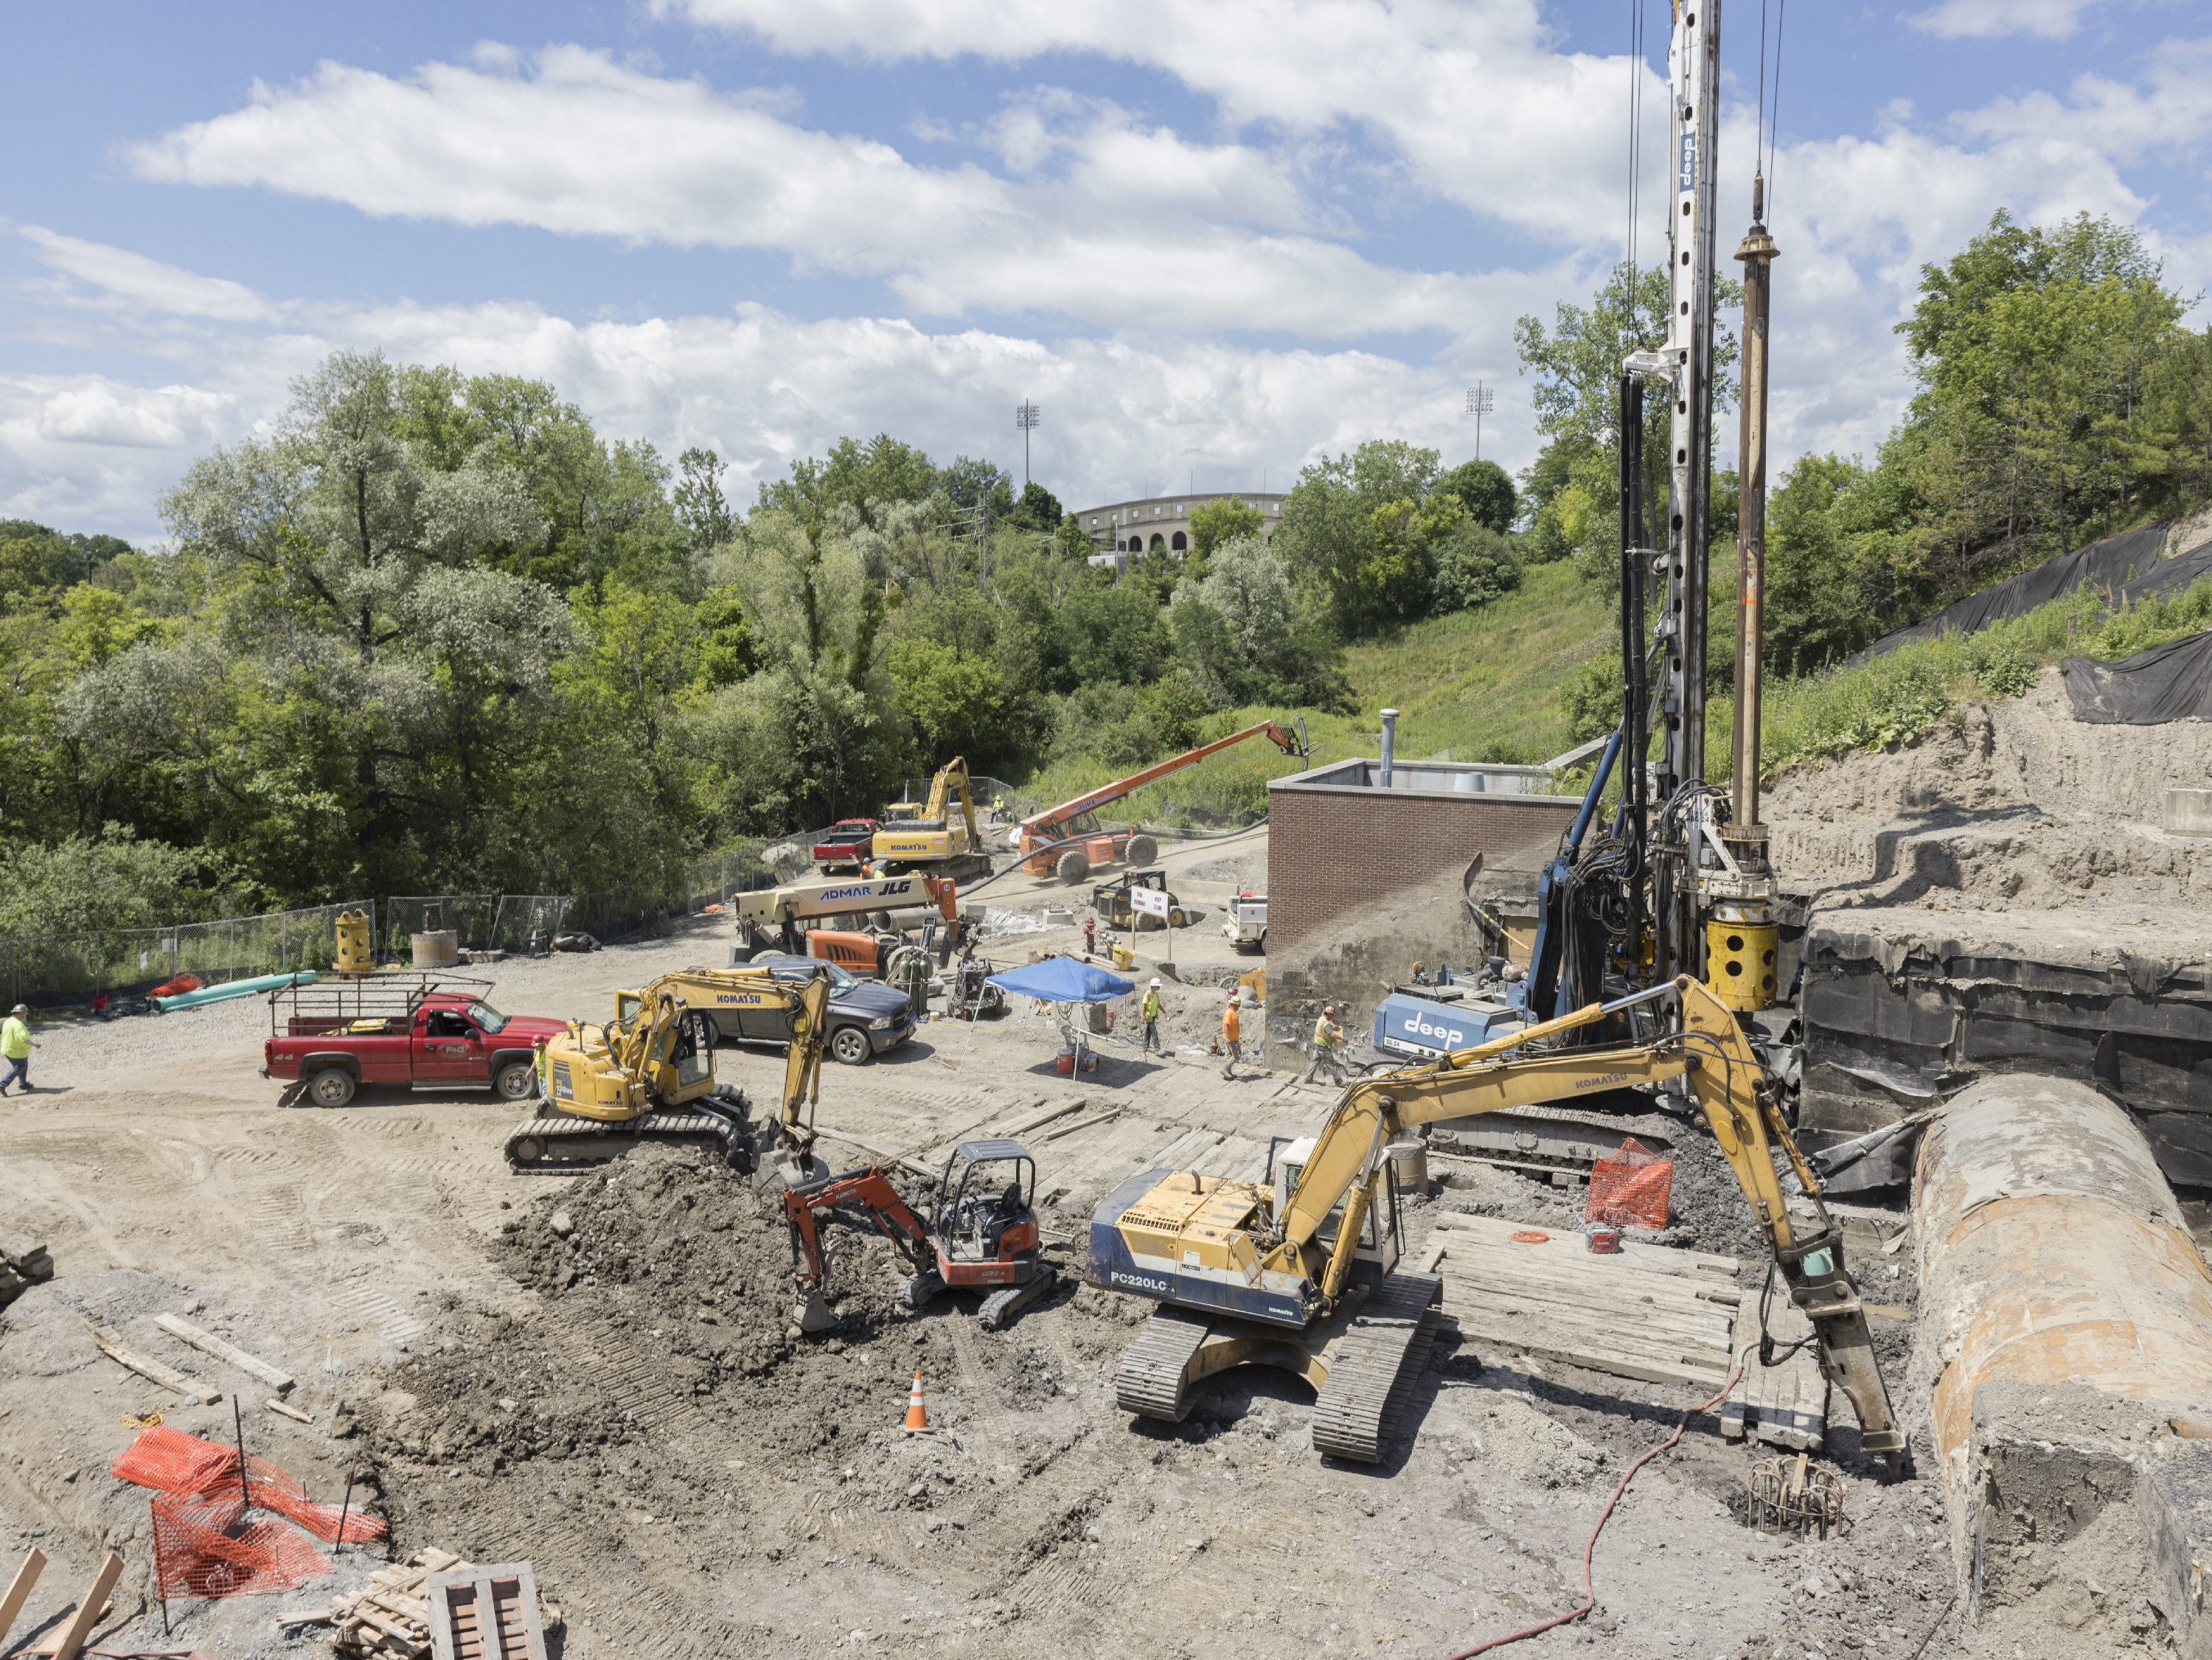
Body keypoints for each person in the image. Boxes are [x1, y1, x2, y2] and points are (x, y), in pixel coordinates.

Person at [1302, 1004, 1348, 1086]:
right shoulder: (1326, 1025)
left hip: (1318, 1045)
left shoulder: (1321, 1018)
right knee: (1331, 1064)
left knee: (1315, 1061)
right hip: (1324, 1047)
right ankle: (1339, 1081)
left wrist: (1333, 1025)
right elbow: (1332, 1034)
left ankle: (1308, 1078)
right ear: (1329, 1014)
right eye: (1332, 1015)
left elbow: (1329, 1021)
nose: (1333, 1017)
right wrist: (1343, 1039)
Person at [0, 1003, 37, 1095]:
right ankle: (2, 1084)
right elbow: (24, 1039)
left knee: (23, 1065)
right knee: (19, 1067)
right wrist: (36, 1044)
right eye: (25, 1015)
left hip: (9, 1049)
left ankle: (23, 1084)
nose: (25, 1017)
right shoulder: (17, 1025)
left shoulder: (8, 1021)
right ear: (22, 1015)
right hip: (15, 1051)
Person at [1220, 989, 1243, 1080]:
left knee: (1229, 1054)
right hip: (1231, 1039)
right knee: (1237, 1055)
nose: (1239, 1007)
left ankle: (1228, 1073)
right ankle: (1225, 1069)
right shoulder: (1229, 1013)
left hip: (1233, 1038)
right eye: (1238, 1005)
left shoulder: (1232, 1013)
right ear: (1234, 1005)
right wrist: (1228, 1038)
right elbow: (1226, 1025)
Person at [1141, 977, 1164, 1053]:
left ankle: (1146, 1046)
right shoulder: (1147, 995)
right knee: (1154, 1031)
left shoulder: (1155, 995)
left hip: (1153, 1016)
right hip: (1148, 1017)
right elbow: (1143, 1006)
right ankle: (1157, 1048)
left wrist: (1165, 1012)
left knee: (1148, 1031)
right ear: (1153, 986)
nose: (1159, 988)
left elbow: (1158, 1005)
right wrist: (1142, 1018)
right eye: (1158, 987)